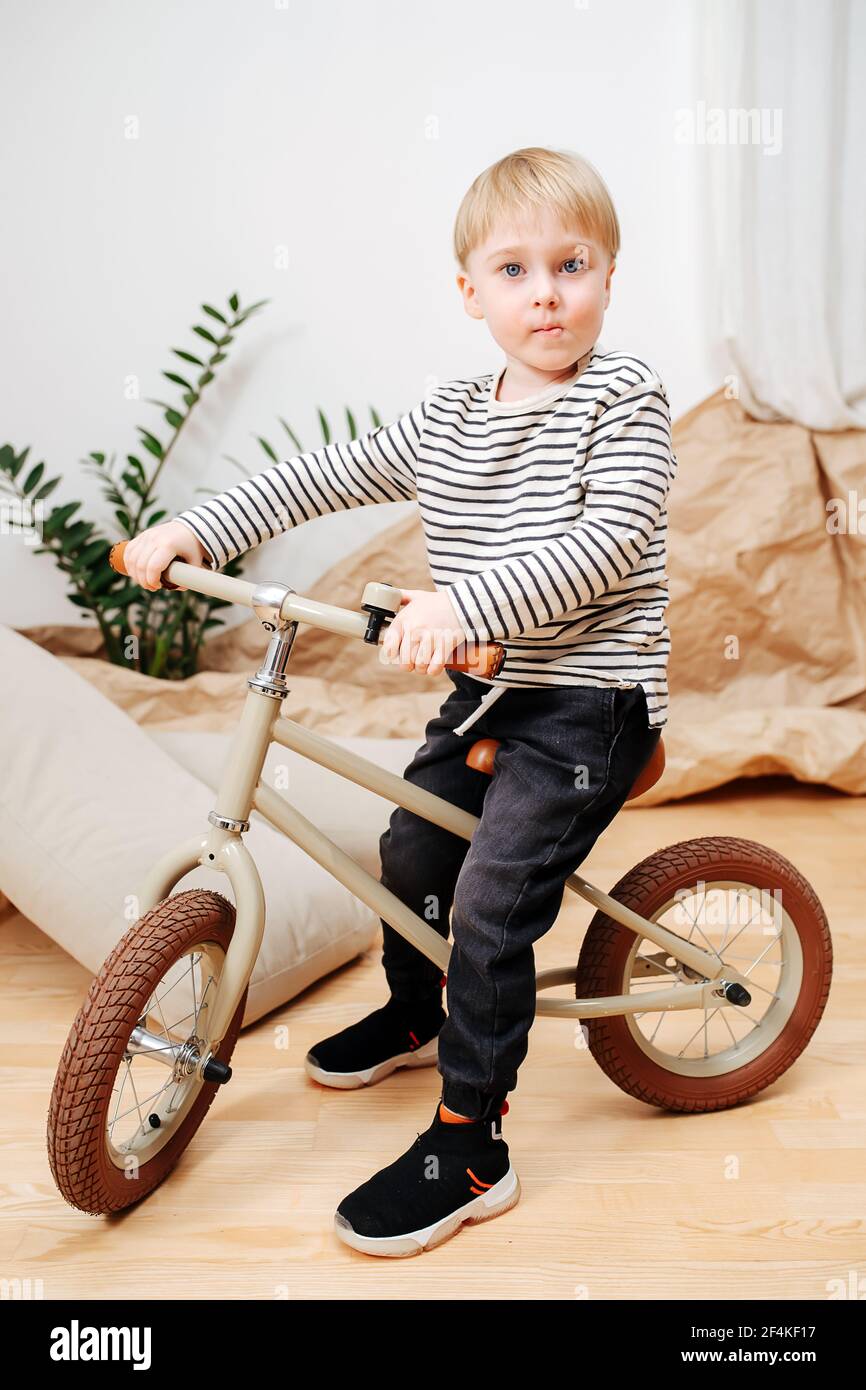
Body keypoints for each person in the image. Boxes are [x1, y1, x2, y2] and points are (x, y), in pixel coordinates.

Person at [123, 145, 678, 1258]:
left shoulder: (625, 401)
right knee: (411, 855)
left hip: (585, 700)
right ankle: (419, 1012)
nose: (546, 293)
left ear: (609, 276)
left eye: (570, 264)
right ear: (469, 292)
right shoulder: (448, 415)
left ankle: (473, 1144)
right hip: (489, 692)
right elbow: (322, 472)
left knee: (487, 899)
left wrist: (465, 603)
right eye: (513, 271)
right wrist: (197, 529)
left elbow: (605, 541)